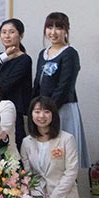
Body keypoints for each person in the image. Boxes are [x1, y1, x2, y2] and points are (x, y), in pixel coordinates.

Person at [20, 97, 79, 198]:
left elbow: (71, 172)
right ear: (31, 114)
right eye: (37, 111)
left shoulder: (66, 139)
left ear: (53, 115)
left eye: (46, 111)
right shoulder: (26, 142)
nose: (41, 116)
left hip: (62, 195)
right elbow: (28, 174)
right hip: (37, 194)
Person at [34, 12, 86, 169]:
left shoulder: (70, 53)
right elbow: (37, 83)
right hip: (43, 112)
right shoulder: (43, 53)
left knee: (64, 155)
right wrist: (35, 109)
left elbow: (65, 86)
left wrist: (49, 110)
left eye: (59, 28)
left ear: (66, 30)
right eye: (50, 27)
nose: (53, 32)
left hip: (62, 109)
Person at [0, 18, 33, 146]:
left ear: (20, 35)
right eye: (4, 32)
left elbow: (5, 84)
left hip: (16, 110)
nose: (7, 36)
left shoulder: (24, 59)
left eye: (11, 32)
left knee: (14, 146)